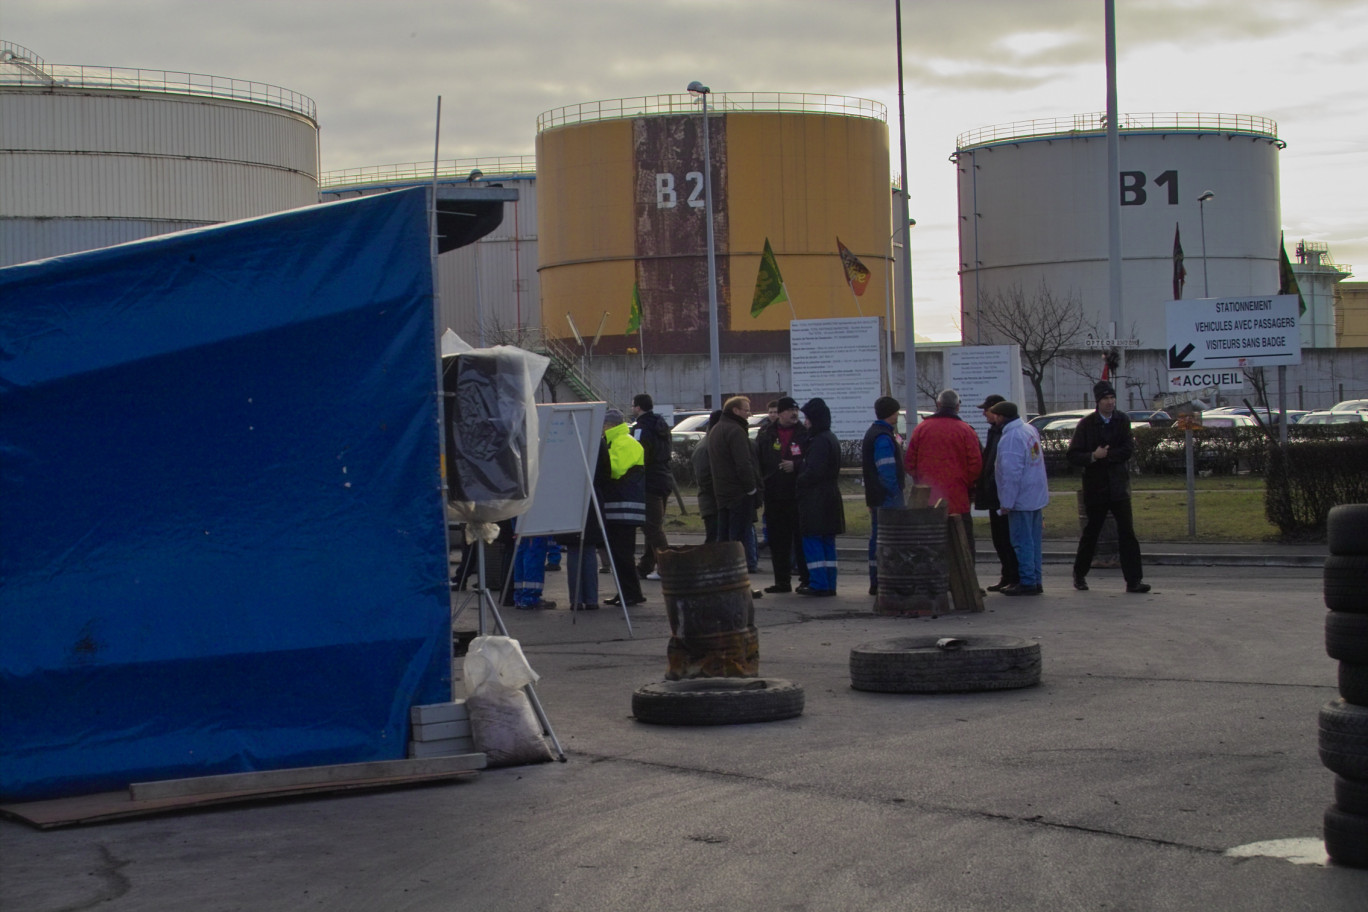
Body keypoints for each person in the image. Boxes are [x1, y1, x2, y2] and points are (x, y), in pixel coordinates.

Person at [1067, 380, 1151, 593]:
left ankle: (1134, 580)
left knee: (1127, 533)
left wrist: (1109, 456)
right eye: (1106, 399)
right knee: (1092, 532)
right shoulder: (1086, 424)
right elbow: (1074, 455)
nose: (1110, 402)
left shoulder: (1121, 420)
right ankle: (1080, 574)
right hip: (1096, 487)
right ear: (1098, 401)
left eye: (1112, 398)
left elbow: (1127, 449)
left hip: (1118, 486)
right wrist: (1093, 456)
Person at [904, 388, 982, 554]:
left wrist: (921, 480)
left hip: (928, 498)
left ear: (938, 404)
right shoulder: (966, 430)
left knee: (930, 547)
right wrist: (965, 483)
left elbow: (910, 462)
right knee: (963, 546)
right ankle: (964, 579)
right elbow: (975, 464)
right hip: (958, 498)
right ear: (957, 407)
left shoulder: (921, 428)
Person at [991, 400, 1049, 596]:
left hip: (1021, 499)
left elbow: (1010, 473)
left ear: (1001, 417)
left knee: (1021, 541)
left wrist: (1006, 502)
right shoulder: (1029, 430)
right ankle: (1036, 578)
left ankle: (1027, 581)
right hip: (1035, 496)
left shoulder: (1011, 438)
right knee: (1033, 541)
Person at [755, 396, 808, 593]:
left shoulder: (804, 433)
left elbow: (811, 460)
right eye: (790, 410)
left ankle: (805, 579)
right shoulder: (767, 433)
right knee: (778, 541)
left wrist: (796, 466)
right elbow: (757, 461)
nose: (794, 413)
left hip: (797, 493)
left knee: (800, 539)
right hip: (774, 493)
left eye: (796, 410)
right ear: (780, 413)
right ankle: (782, 581)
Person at [795, 397, 844, 596]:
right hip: (830, 498)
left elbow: (814, 471)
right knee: (827, 542)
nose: (805, 422)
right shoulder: (830, 438)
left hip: (816, 500)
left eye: (807, 418)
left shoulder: (819, 442)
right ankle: (829, 582)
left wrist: (799, 480)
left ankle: (818, 582)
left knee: (813, 540)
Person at [599, 408, 647, 607]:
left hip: (624, 507)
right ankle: (625, 592)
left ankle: (632, 593)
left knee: (623, 554)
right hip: (620, 507)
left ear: (609, 425)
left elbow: (615, 470)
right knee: (618, 554)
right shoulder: (616, 441)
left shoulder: (625, 442)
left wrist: (600, 460)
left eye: (602, 425)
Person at [975, 394, 1019, 592]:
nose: (984, 414)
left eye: (987, 410)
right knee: (998, 538)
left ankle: (1014, 575)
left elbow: (1005, 466)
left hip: (1001, 493)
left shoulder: (1005, 433)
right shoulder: (994, 431)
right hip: (993, 492)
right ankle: (1006, 575)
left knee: (1006, 538)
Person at [861, 395, 905, 596]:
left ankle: (876, 580)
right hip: (886, 499)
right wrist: (896, 494)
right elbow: (886, 469)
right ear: (892, 413)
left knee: (877, 539)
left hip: (876, 497)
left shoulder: (874, 432)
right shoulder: (883, 437)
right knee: (886, 540)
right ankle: (883, 580)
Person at [707, 396, 762, 552]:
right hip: (739, 493)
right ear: (735, 410)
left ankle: (724, 569)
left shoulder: (716, 429)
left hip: (722, 492)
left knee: (724, 536)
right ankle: (735, 571)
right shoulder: (736, 431)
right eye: (746, 410)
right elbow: (743, 463)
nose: (748, 414)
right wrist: (752, 488)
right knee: (738, 539)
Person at [631, 393, 673, 581]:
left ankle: (667, 567)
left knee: (653, 528)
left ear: (638, 407)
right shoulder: (661, 425)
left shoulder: (641, 428)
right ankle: (646, 565)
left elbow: (640, 454)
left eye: (633, 406)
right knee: (652, 526)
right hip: (664, 478)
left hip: (649, 481)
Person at [691, 410, 722, 543]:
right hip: (712, 502)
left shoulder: (713, 442)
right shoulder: (705, 447)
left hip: (716, 501)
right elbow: (704, 477)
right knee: (714, 538)